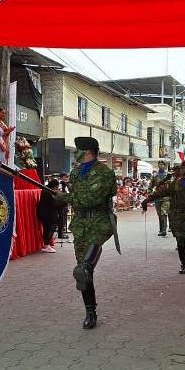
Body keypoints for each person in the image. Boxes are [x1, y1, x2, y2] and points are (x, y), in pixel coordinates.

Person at [54, 137, 118, 330]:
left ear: (88, 152)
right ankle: (90, 312)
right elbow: (76, 196)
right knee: (83, 273)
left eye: (78, 150)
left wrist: (65, 197)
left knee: (85, 267)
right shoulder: (75, 172)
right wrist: (59, 197)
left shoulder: (105, 173)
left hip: (99, 222)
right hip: (81, 224)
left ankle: (86, 269)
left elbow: (90, 199)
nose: (76, 153)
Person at [37, 179, 64, 253]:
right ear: (54, 186)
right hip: (47, 214)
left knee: (48, 229)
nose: (57, 189)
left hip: (45, 213)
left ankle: (47, 245)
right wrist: (63, 203)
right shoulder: (48, 192)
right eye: (56, 187)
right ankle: (47, 245)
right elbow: (54, 204)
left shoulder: (46, 190)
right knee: (49, 229)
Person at [149, 160, 170, 236]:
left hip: (166, 197)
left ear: (164, 166)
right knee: (159, 214)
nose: (161, 165)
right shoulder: (155, 176)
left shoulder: (168, 175)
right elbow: (150, 186)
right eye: (160, 164)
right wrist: (150, 194)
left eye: (162, 164)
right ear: (158, 165)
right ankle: (161, 229)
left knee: (164, 213)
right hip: (157, 197)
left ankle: (164, 230)